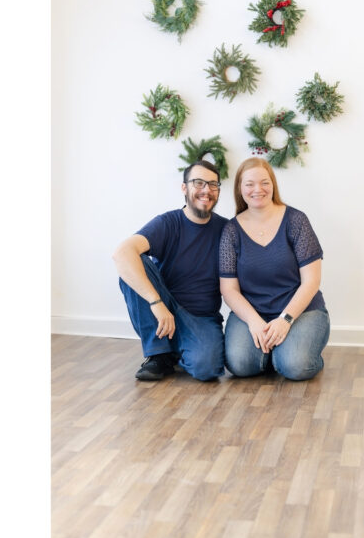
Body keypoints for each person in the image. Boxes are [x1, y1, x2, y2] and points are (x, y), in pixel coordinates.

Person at [112, 161, 228, 382]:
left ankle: (177, 347)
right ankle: (159, 354)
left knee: (207, 368)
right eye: (199, 183)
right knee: (133, 263)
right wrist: (156, 303)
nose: (206, 190)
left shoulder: (226, 229)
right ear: (184, 188)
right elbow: (121, 253)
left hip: (201, 317)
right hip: (163, 307)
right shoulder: (167, 223)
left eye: (213, 184)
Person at [219, 157, 330, 382]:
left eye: (264, 182)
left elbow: (311, 281)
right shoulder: (231, 230)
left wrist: (285, 320)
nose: (257, 189)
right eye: (249, 184)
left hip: (300, 311)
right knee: (239, 364)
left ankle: (287, 354)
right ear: (240, 188)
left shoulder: (296, 220)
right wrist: (254, 321)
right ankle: (275, 353)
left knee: (295, 366)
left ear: (273, 185)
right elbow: (229, 289)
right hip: (253, 312)